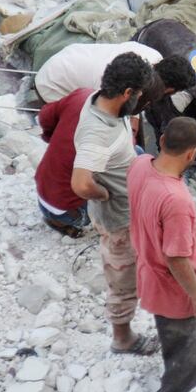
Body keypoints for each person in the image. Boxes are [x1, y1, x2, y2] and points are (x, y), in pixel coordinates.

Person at [71, 52, 159, 356]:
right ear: (126, 93)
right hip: (118, 218)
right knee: (122, 278)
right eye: (138, 95)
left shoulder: (103, 102)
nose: (140, 101)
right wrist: (105, 194)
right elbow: (81, 183)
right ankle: (123, 338)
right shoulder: (98, 131)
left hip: (129, 207)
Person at [127, 117, 196, 392]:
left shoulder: (139, 165)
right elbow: (177, 259)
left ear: (162, 141)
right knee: (192, 352)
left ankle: (176, 364)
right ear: (192, 154)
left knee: (174, 338)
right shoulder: (176, 200)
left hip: (150, 275)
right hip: (177, 291)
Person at [133, 19, 196, 169]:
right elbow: (167, 125)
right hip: (148, 36)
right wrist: (172, 161)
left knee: (195, 120)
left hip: (176, 30)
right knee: (157, 108)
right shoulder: (181, 94)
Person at [34, 40, 196, 113]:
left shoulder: (153, 56)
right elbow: (101, 119)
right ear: (169, 89)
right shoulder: (112, 83)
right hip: (52, 85)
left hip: (65, 57)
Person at [36, 88, 93, 237]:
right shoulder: (117, 131)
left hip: (42, 193)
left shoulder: (83, 95)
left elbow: (44, 117)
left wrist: (54, 139)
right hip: (68, 211)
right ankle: (64, 221)